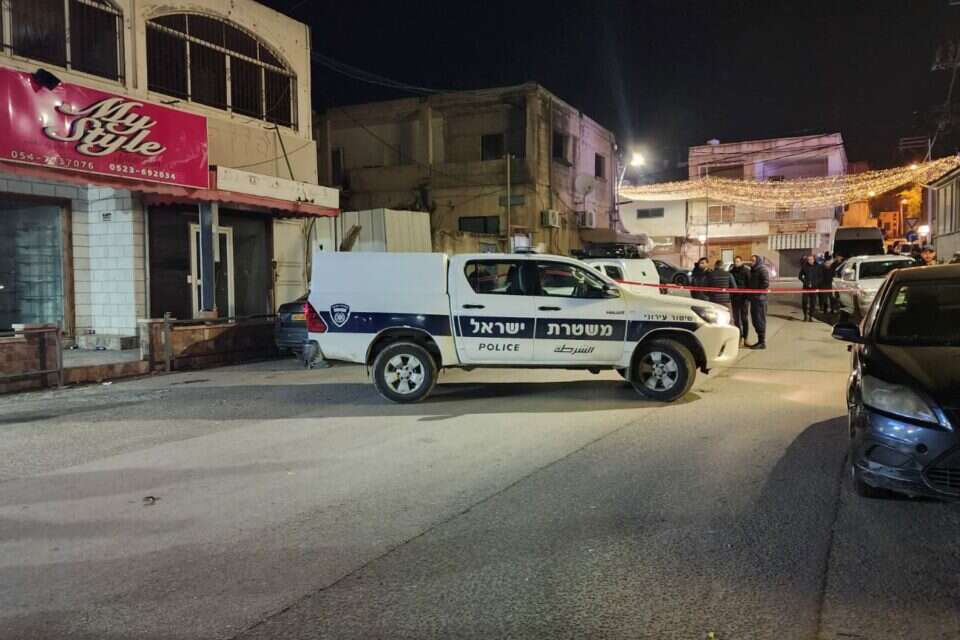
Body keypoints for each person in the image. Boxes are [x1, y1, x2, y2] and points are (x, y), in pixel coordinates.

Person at [748, 254, 770, 349]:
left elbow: (765, 283)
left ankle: (762, 342)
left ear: (758, 261)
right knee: (755, 320)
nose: (751, 262)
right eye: (751, 260)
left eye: (753, 260)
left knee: (759, 320)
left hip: (760, 300)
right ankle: (760, 341)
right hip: (754, 299)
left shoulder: (762, 270)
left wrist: (757, 292)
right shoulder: (753, 270)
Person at [729, 256, 751, 345]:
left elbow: (749, 284)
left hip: (744, 298)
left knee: (744, 318)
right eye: (735, 261)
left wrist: (748, 297)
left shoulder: (746, 271)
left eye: (738, 261)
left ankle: (746, 338)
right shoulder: (731, 272)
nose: (736, 263)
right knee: (736, 319)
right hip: (734, 298)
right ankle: (740, 337)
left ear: (741, 262)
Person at [799, 254, 820, 322]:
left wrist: (816, 283)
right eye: (808, 260)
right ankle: (805, 316)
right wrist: (805, 282)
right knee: (804, 301)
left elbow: (821, 277)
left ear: (814, 259)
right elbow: (800, 276)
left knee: (813, 303)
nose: (809, 261)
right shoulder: (804, 266)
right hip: (806, 287)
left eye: (811, 259)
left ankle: (810, 316)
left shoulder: (818, 266)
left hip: (814, 287)